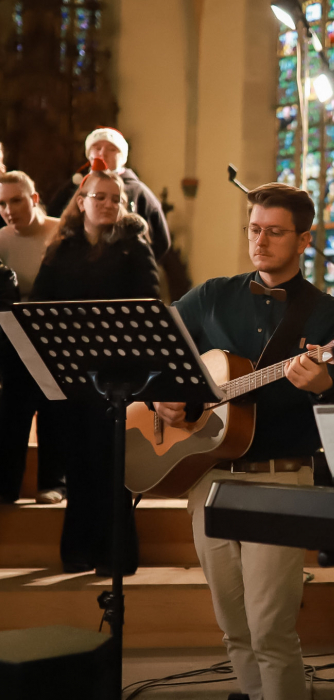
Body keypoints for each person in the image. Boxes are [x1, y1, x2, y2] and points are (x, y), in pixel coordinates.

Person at [154, 183, 334, 700]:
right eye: (254, 229)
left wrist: (323, 384)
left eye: (275, 232)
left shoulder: (329, 315)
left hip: (280, 480)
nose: (260, 241)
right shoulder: (212, 296)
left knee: (270, 629)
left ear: (304, 239)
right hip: (209, 477)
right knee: (234, 627)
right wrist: (160, 396)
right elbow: (157, 346)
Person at [31, 159, 160, 574]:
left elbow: (149, 306)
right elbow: (39, 307)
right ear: (81, 201)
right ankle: (78, 550)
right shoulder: (61, 248)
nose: (108, 204)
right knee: (78, 462)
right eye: (99, 197)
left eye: (116, 199)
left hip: (118, 376)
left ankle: (114, 555)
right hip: (73, 374)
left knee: (110, 464)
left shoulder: (133, 246)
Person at [0, 171, 66, 504]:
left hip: (56, 333)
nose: (8, 210)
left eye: (16, 201)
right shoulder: (1, 239)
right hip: (13, 335)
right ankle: (6, 487)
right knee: (12, 411)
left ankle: (53, 483)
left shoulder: (60, 232)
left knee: (53, 409)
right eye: (2, 204)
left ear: (34, 199)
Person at [48, 126, 171, 261]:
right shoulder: (73, 187)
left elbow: (161, 240)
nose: (103, 153)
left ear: (123, 158)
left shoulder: (138, 191)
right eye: (97, 148)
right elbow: (53, 225)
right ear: (89, 154)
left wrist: (139, 262)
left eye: (112, 149)